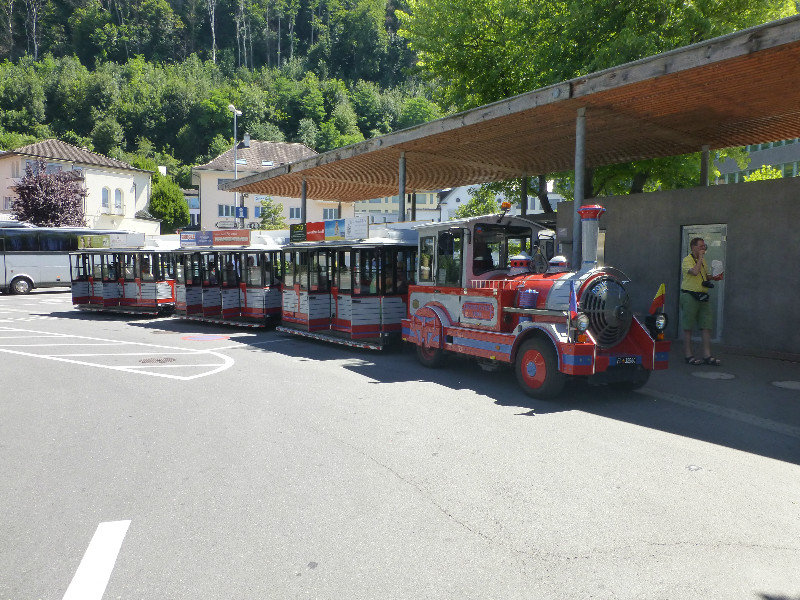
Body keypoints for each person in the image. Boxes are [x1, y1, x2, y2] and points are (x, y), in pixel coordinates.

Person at [681, 237, 723, 366]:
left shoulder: (703, 260)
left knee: (706, 325)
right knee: (688, 327)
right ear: (693, 247)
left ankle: (707, 355)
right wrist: (699, 258)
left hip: (703, 295)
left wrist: (715, 276)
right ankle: (688, 355)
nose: (703, 249)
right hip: (689, 295)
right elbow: (694, 272)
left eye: (704, 246)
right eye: (701, 246)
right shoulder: (686, 260)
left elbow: (704, 275)